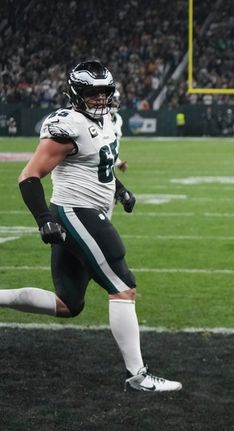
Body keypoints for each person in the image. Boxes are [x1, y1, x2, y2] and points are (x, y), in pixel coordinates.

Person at [3, 61, 181, 392]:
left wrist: (120, 190)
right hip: (76, 212)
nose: (99, 99)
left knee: (68, 303)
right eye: (91, 93)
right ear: (75, 93)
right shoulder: (69, 125)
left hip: (89, 211)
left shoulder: (109, 121)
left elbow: (100, 166)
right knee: (123, 286)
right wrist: (44, 219)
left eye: (104, 92)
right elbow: (28, 176)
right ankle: (138, 376)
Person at [110, 90, 127, 172]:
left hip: (108, 166)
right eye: (113, 99)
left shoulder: (118, 118)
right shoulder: (99, 120)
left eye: (117, 99)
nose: (116, 102)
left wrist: (118, 163)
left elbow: (113, 147)